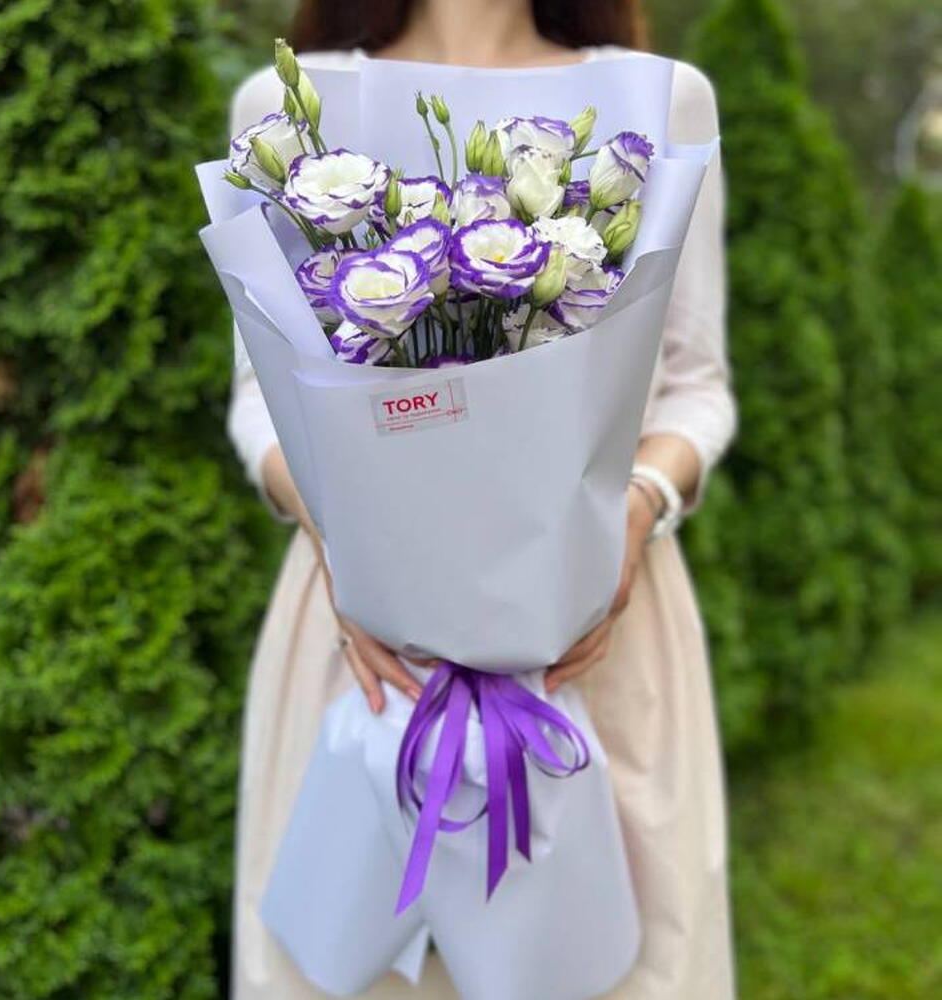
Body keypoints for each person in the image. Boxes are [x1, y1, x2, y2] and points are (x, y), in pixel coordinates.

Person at [226, 1, 737, 997]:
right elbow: (260, 398)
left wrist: (633, 512)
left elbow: (694, 384)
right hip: (367, 645)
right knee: (347, 955)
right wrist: (345, 541)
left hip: (596, 633)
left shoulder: (660, 101)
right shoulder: (287, 109)